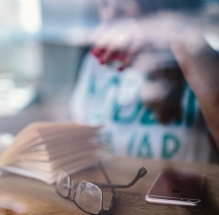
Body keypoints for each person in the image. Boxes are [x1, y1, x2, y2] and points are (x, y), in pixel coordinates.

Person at [70, 0, 219, 162]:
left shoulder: (198, 61)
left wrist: (169, 33)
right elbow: (78, 144)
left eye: (124, 3)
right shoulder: (94, 66)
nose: (110, 15)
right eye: (104, 4)